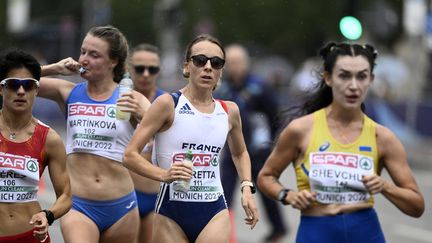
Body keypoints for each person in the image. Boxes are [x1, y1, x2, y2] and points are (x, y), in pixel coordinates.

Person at [257, 42, 425, 243]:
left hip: (365, 233)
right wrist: (288, 195)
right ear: (328, 78)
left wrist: (385, 186)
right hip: (316, 232)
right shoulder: (301, 129)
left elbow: (417, 206)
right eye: (344, 75)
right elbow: (266, 177)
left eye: (361, 76)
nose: (353, 85)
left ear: (370, 79)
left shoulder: (383, 137)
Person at [124, 34, 259, 243]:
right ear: (187, 67)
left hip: (213, 210)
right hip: (171, 211)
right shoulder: (168, 104)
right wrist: (164, 174)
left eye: (216, 63)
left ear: (221, 71)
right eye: (200, 60)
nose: (208, 67)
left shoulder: (229, 111)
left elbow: (240, 152)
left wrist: (247, 188)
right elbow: (130, 156)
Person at [38, 25, 151, 243]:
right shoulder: (67, 92)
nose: (84, 59)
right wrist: (54, 68)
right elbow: (9, 82)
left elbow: (166, 133)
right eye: (83, 52)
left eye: (94, 54)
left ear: (113, 62)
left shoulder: (131, 98)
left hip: (122, 206)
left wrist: (144, 114)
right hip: (78, 204)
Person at [214, 44, 287, 242]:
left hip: (258, 151)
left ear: (246, 63)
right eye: (231, 63)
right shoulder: (224, 88)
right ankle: (225, 234)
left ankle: (278, 228)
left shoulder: (260, 86)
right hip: (232, 151)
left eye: (238, 62)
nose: (234, 67)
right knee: (224, 193)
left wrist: (271, 143)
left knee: (264, 190)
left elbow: (276, 116)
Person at [0, 49, 72, 243]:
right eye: (13, 84)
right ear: (1, 89)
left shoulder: (49, 138)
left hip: (29, 236)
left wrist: (48, 215)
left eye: (29, 85)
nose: (21, 91)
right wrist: (55, 67)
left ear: (37, 90)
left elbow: (65, 195)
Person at [129, 43, 165, 243]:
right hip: (124, 194)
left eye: (152, 69)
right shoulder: (118, 100)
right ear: (129, 69)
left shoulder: (168, 103)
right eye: (139, 68)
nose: (145, 74)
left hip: (155, 195)